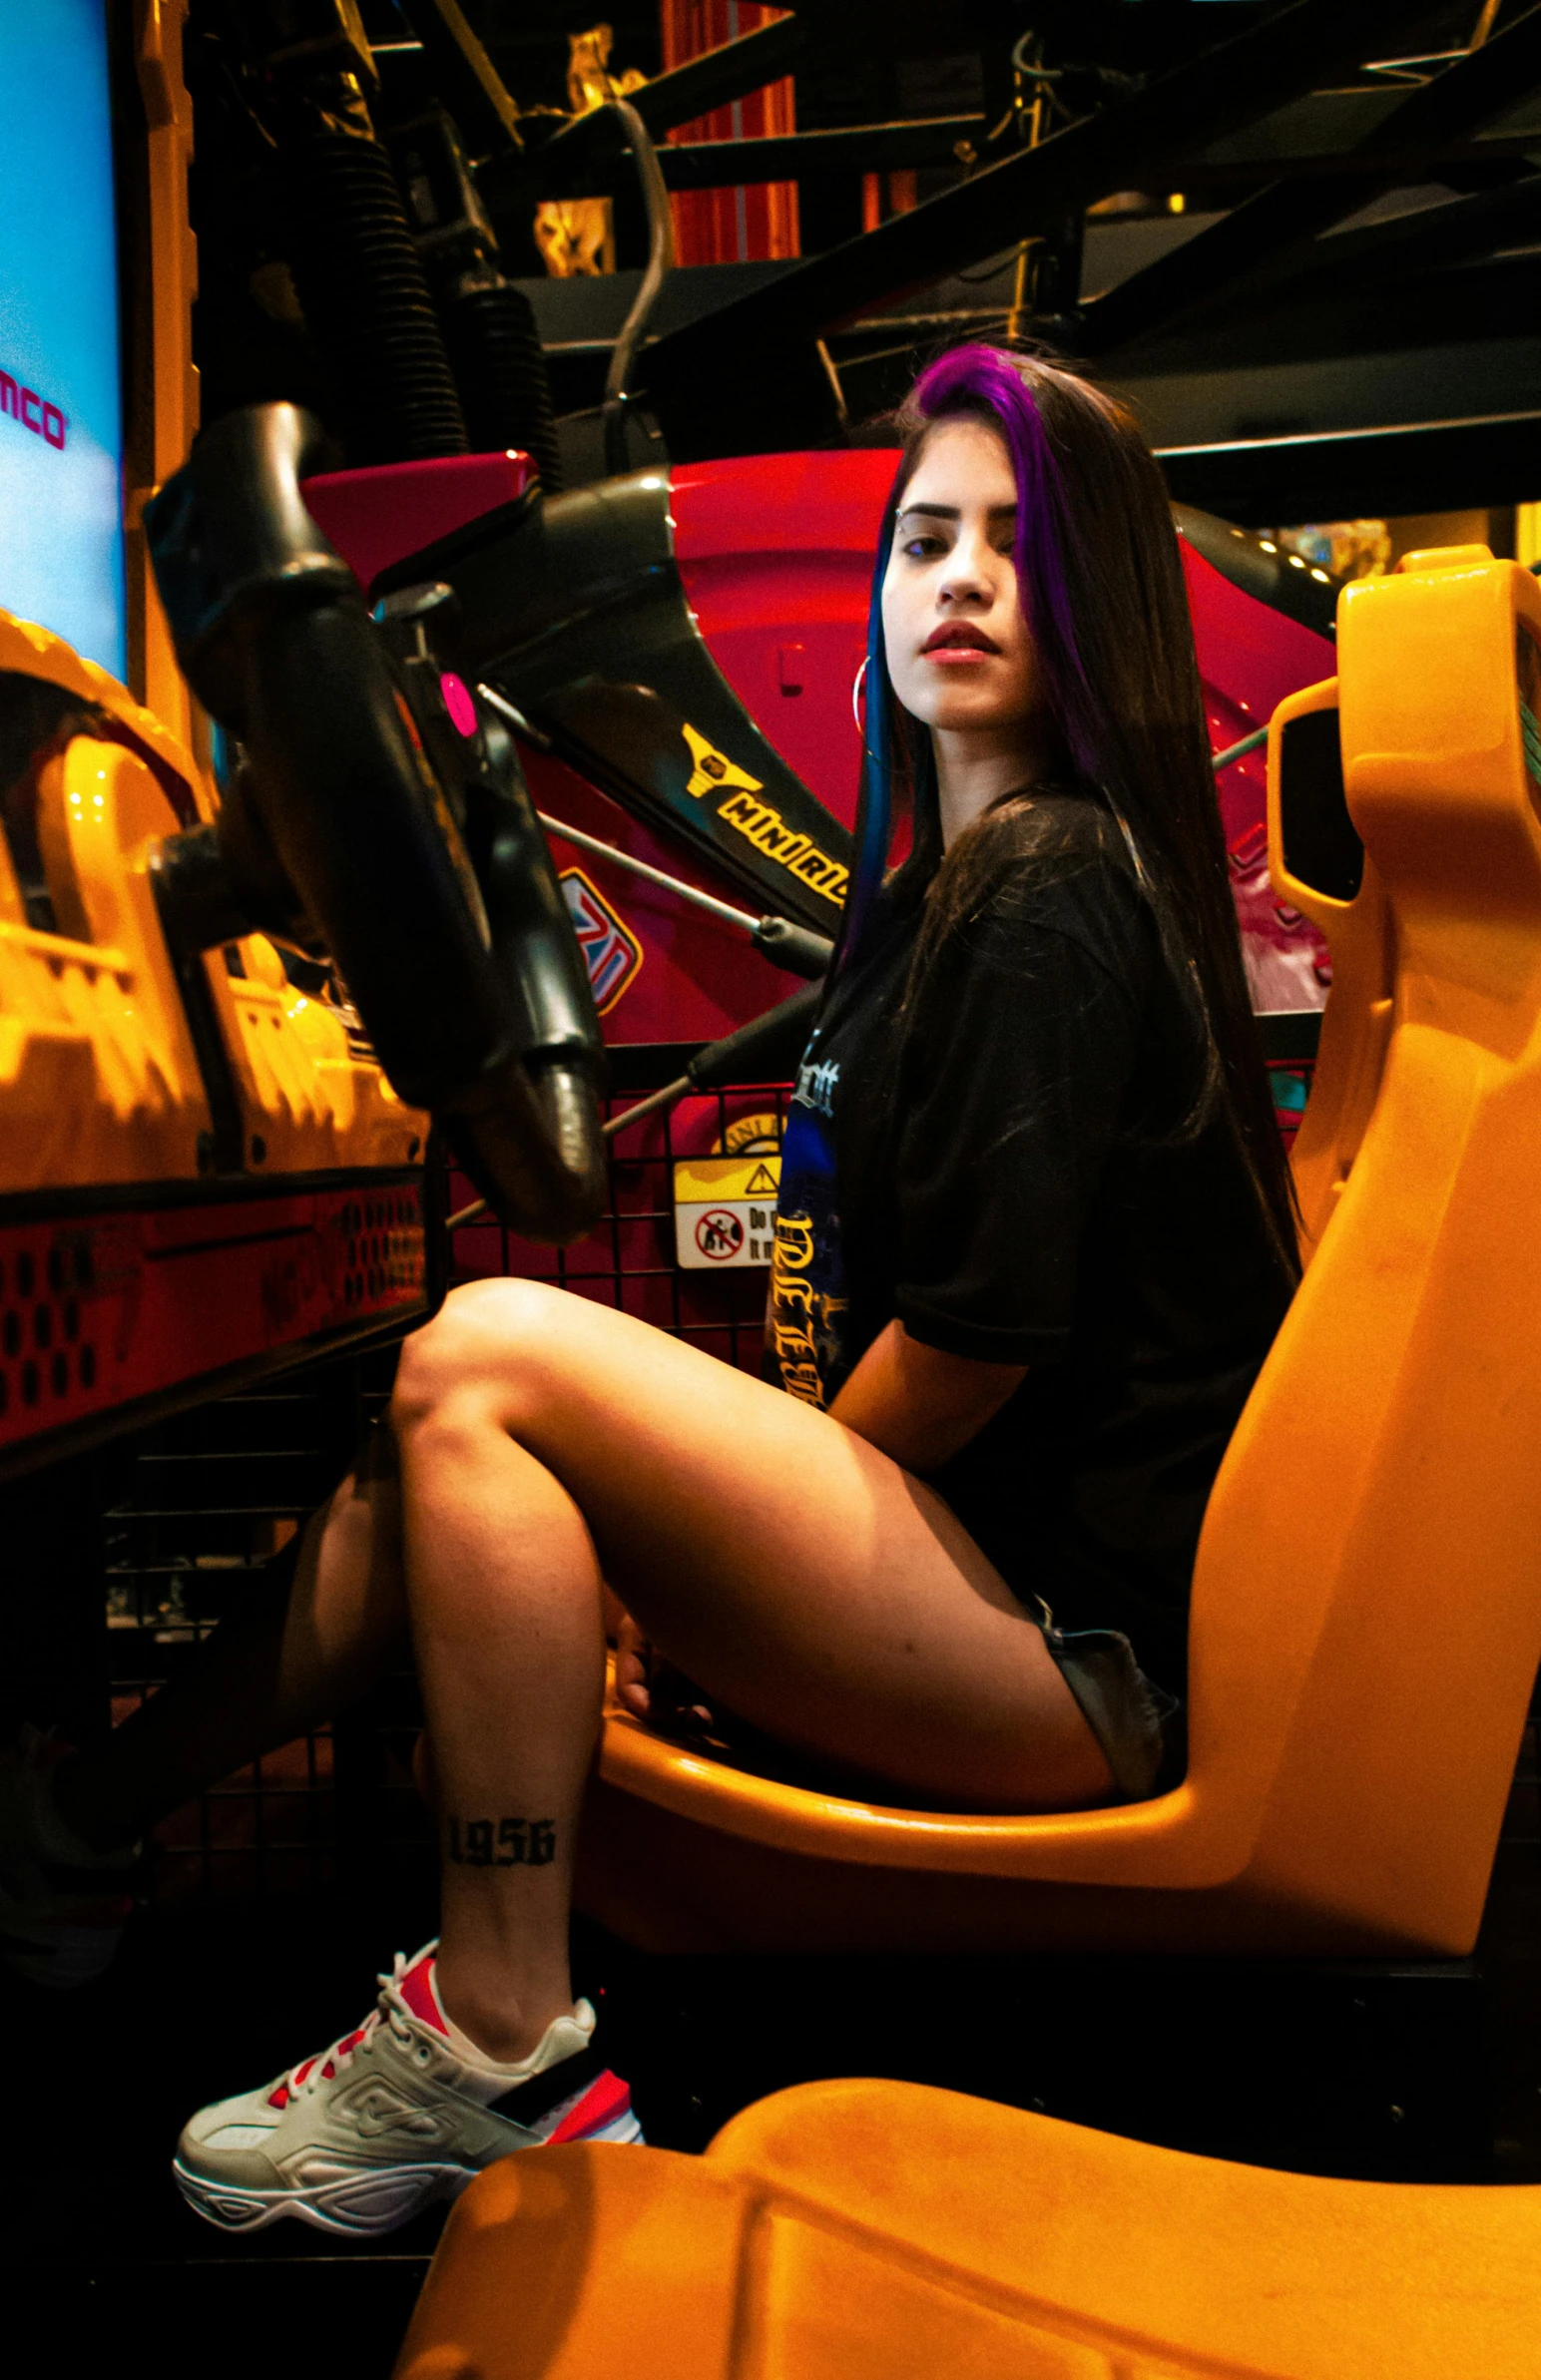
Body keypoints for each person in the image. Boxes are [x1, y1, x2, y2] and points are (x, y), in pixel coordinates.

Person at [0, 343, 1298, 2237]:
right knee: (432, 1465)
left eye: (1017, 547)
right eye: (924, 537)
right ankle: (69, 1837)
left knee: (482, 1359)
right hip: (999, 1593)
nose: (956, 581)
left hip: (1074, 1662)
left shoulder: (1053, 889)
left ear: (1100, 598)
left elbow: (970, 1352)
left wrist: (696, 1588)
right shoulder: (946, 886)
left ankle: (505, 2042)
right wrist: (694, 1537)